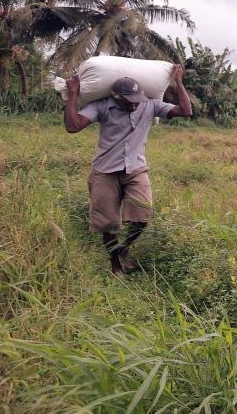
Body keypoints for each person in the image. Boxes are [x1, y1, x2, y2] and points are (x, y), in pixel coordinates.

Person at [63, 65, 192, 276]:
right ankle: (115, 265)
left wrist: (178, 81)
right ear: (116, 97)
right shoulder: (102, 106)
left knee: (143, 217)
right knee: (108, 224)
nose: (134, 105)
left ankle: (124, 248)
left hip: (136, 169)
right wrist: (73, 94)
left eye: (136, 100)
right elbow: (73, 126)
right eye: (129, 101)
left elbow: (186, 111)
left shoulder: (149, 105)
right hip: (105, 171)